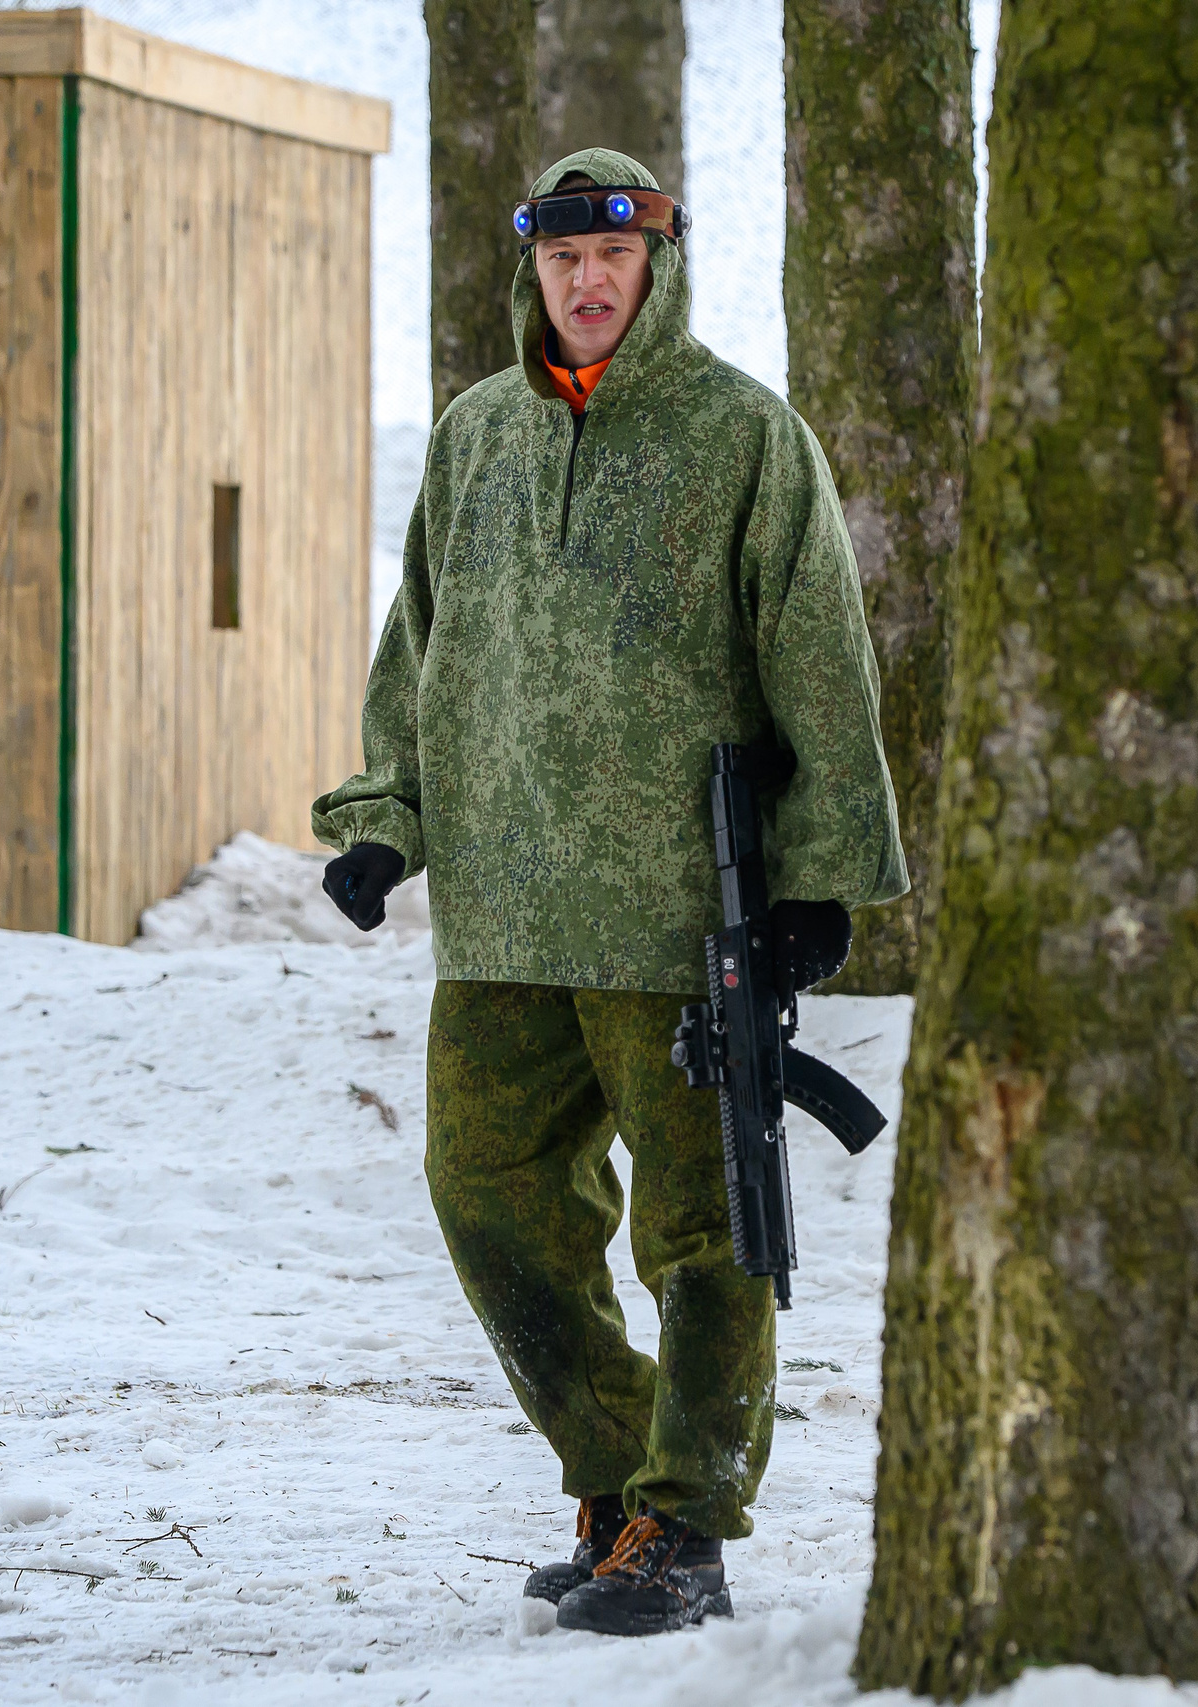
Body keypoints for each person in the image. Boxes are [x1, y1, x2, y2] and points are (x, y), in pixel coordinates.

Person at [309, 148, 907, 1637]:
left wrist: (820, 882)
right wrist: (388, 819)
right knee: (487, 1194)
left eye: (615, 257)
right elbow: (421, 643)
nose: (588, 282)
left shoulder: (743, 440)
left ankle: (690, 1518)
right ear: (535, 272)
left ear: (661, 266)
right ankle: (615, 1473)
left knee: (706, 1231)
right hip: (506, 913)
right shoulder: (478, 439)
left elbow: (823, 664)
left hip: (675, 920)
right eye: (564, 259)